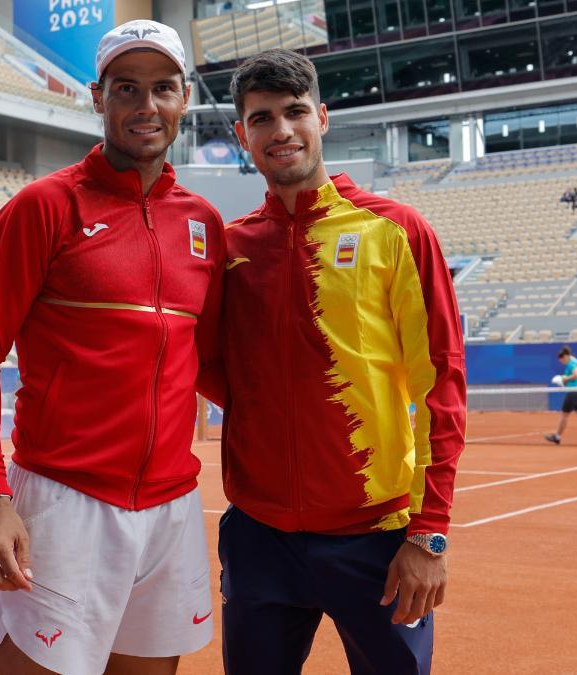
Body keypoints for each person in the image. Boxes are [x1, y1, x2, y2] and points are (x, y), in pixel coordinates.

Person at [0, 20, 224, 675]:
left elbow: (212, 367)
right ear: (98, 98)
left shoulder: (204, 223)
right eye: (127, 89)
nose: (146, 106)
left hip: (171, 509)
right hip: (63, 503)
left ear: (184, 98)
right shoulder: (42, 207)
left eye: (163, 88)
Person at [211, 49, 466, 675]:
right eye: (262, 118)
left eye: (295, 112)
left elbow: (443, 386)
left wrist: (428, 532)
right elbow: (215, 372)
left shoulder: (396, 231)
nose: (282, 131)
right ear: (242, 135)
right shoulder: (231, 247)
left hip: (377, 538)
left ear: (322, 118)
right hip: (259, 535)